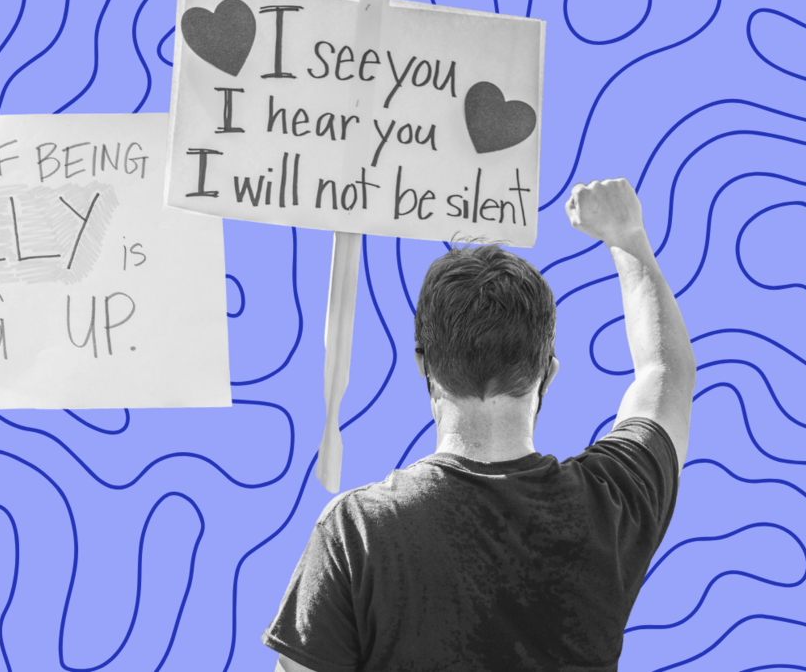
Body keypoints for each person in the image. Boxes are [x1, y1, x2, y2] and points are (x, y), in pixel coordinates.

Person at [264, 178, 696, 671]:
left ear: (423, 366)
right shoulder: (611, 505)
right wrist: (626, 235)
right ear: (547, 372)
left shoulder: (358, 531)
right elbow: (667, 374)